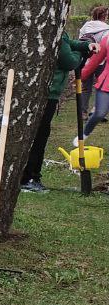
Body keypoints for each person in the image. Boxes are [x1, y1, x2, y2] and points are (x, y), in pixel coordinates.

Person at [22, 32, 94, 192]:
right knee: (39, 134)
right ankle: (29, 177)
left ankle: (30, 175)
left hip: (39, 90)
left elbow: (67, 41)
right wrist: (80, 53)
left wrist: (85, 44)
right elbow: (69, 61)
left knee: (40, 132)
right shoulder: (53, 30)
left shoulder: (55, 30)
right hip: (47, 92)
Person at [79, 27, 109, 139]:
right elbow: (94, 61)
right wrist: (81, 77)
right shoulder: (107, 39)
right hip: (106, 83)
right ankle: (85, 133)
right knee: (100, 113)